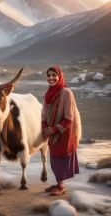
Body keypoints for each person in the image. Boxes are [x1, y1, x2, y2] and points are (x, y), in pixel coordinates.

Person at [41, 66, 81, 196]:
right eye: (49, 75)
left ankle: (61, 186)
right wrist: (44, 129)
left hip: (64, 133)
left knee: (61, 159)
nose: (51, 78)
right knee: (54, 159)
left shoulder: (66, 93)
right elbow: (43, 114)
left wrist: (52, 130)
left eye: (54, 75)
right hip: (51, 133)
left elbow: (69, 118)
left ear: (60, 77)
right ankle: (59, 183)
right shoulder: (48, 94)